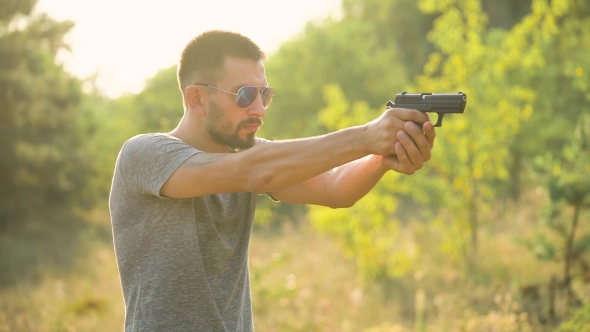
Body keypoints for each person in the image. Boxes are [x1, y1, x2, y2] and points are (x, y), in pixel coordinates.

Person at [109, 30, 436, 332]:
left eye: (264, 94)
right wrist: (367, 136)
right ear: (197, 99)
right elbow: (252, 172)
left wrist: (384, 155)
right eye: (244, 95)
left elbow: (336, 188)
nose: (259, 109)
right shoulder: (144, 155)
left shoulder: (250, 156)